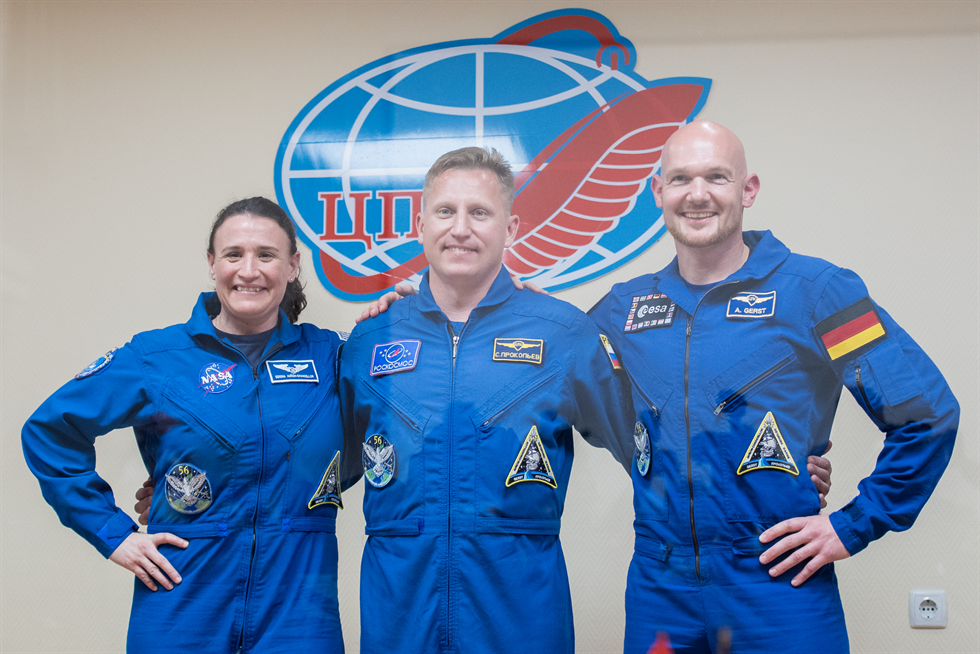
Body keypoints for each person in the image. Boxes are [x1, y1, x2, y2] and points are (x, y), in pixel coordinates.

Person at [588, 121, 959, 653]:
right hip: (659, 587)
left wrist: (854, 525)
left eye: (717, 177)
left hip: (776, 582)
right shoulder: (623, 311)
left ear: (749, 189)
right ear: (658, 192)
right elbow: (547, 373)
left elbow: (927, 415)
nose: (697, 195)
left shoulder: (819, 292)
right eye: (680, 179)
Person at [337, 147, 637, 654]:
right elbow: (295, 470)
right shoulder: (368, 344)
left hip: (520, 623)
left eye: (479, 212)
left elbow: (657, 453)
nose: (460, 228)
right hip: (400, 622)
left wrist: (774, 486)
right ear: (420, 223)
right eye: (445, 211)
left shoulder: (562, 334)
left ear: (512, 227)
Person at [22, 197, 349, 653]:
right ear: (212, 264)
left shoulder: (332, 356)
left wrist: (405, 314)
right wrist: (113, 535)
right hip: (184, 601)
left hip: (298, 610)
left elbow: (383, 434)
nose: (249, 270)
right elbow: (49, 430)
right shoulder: (157, 357)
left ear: (293, 266)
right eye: (234, 254)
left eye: (267, 255)